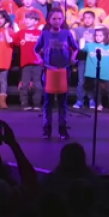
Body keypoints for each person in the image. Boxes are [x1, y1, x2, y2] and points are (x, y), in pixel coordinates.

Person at [34, 8, 78, 140]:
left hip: (63, 70)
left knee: (62, 102)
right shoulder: (45, 34)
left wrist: (72, 58)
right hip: (49, 71)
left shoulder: (67, 34)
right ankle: (46, 129)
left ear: (63, 20)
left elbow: (75, 48)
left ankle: (62, 129)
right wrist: (40, 59)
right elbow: (36, 50)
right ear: (49, 20)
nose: (57, 21)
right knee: (48, 102)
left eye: (59, 18)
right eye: (54, 18)